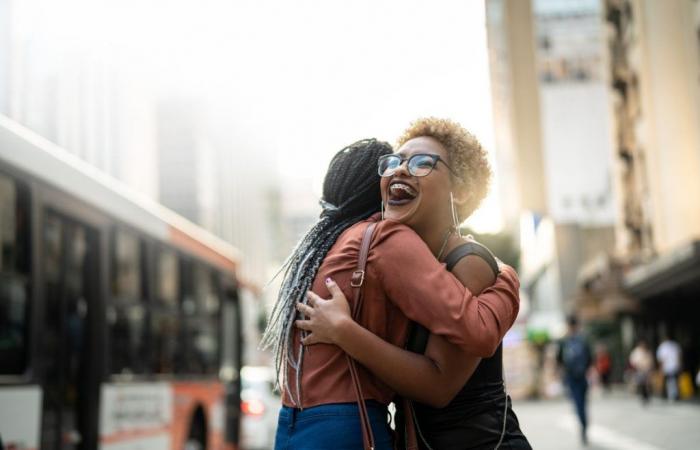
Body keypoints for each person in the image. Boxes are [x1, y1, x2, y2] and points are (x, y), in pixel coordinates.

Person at [264, 127, 521, 450]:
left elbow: (443, 380)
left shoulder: (466, 259)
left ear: (460, 190)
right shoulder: (393, 254)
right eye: (393, 163)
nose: (400, 169)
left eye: (422, 162)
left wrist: (508, 277)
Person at [557, 315, 592, 445]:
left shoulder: (566, 341)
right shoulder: (581, 340)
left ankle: (583, 425)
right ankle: (584, 426)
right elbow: (590, 358)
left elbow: (559, 360)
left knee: (580, 404)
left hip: (575, 377)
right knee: (581, 404)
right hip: (578, 377)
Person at [656, 334, 682, 401]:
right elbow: (679, 356)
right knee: (674, 381)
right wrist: (680, 365)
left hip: (667, 367)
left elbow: (661, 358)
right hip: (674, 366)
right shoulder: (675, 345)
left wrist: (660, 368)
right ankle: (674, 395)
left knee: (669, 381)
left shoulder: (663, 346)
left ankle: (670, 395)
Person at [629, 339, 654, 404]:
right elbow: (633, 361)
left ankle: (648, 396)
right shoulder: (636, 352)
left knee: (648, 384)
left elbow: (651, 360)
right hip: (639, 370)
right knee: (642, 384)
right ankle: (643, 396)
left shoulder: (647, 351)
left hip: (647, 370)